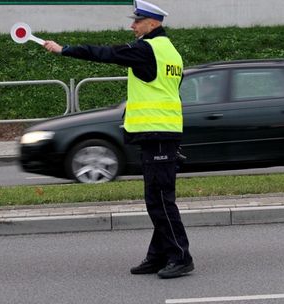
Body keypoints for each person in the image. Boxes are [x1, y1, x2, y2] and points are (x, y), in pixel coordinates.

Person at [43, 0, 194, 279]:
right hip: (163, 132)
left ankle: (181, 257)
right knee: (158, 197)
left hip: (158, 132)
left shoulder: (146, 49)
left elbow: (106, 53)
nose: (132, 26)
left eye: (137, 21)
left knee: (159, 200)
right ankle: (158, 256)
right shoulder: (171, 52)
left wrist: (64, 50)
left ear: (153, 23)